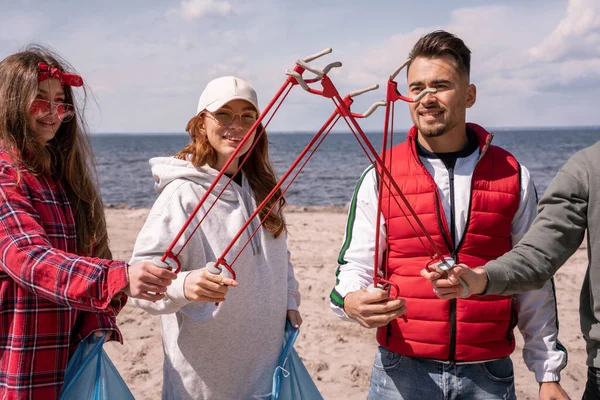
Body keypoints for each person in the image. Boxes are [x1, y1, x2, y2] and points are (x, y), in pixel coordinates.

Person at [329, 31, 570, 399]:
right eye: (417, 87)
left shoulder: (513, 174)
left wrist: (547, 373)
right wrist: (350, 301)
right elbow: (355, 264)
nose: (427, 98)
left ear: (469, 95)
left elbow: (534, 276)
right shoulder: (381, 173)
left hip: (488, 374)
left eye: (440, 86)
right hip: (401, 370)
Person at [0, 46, 177, 399]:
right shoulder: (6, 175)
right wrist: (119, 276)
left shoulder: (62, 179)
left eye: (61, 102)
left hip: (67, 362)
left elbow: (87, 252)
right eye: (40, 101)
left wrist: (97, 322)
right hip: (16, 361)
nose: (53, 113)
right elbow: (28, 258)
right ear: (10, 103)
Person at [130, 75, 302, 399]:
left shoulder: (261, 188)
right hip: (203, 385)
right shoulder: (182, 194)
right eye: (223, 114)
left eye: (247, 116)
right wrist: (184, 285)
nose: (236, 125)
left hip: (265, 373)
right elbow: (140, 286)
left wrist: (289, 299)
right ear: (201, 125)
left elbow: (281, 255)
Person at [423, 139, 600, 399]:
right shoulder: (588, 166)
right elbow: (538, 255)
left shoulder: (516, 175)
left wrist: (547, 372)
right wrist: (481, 278)